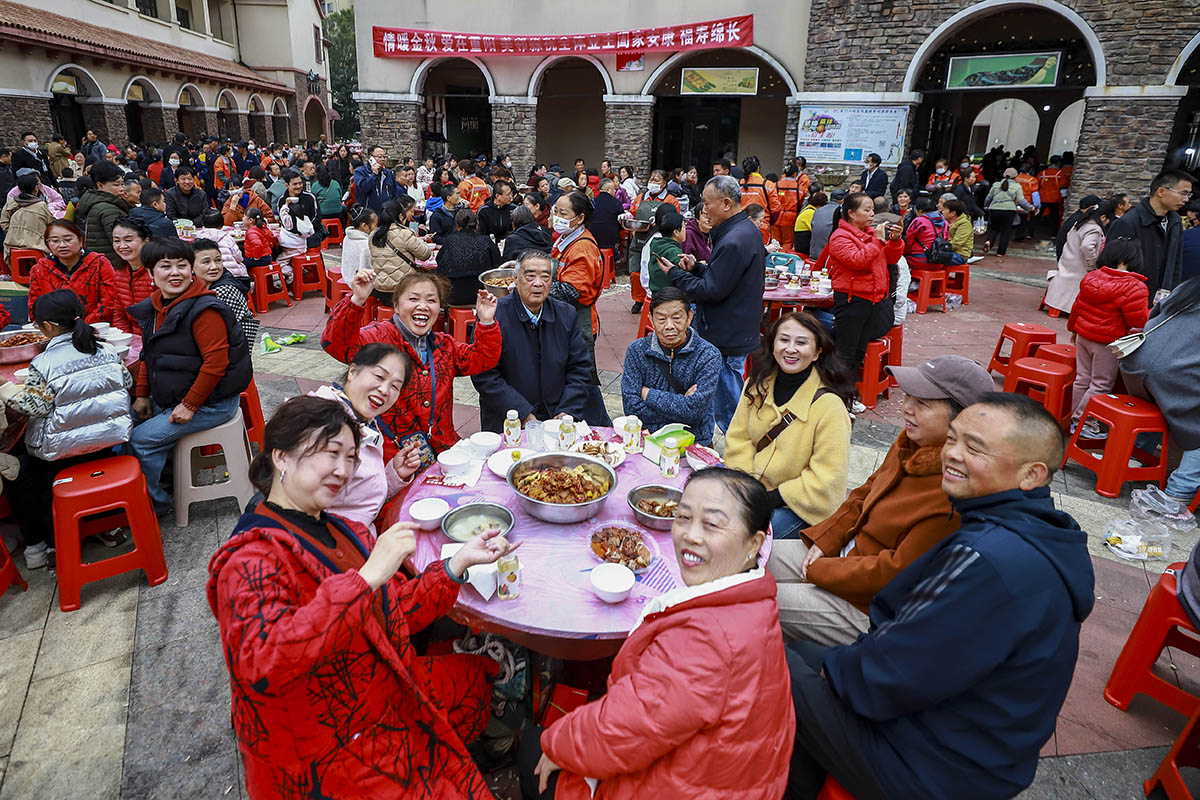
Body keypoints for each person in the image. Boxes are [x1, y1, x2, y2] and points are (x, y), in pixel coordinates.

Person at [785, 393, 1092, 800]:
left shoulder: (989, 558)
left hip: (937, 766)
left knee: (771, 661)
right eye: (953, 439)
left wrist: (836, 675)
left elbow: (886, 676)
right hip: (961, 734)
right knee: (806, 657)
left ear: (1031, 474)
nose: (953, 455)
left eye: (975, 448)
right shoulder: (1040, 530)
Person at [208, 394, 514, 799]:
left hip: (382, 685)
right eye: (329, 453)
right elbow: (263, 665)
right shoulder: (250, 558)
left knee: (477, 675)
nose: (342, 470)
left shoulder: (338, 529)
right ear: (280, 457)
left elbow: (393, 611)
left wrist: (459, 563)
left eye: (351, 458)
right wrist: (367, 577)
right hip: (324, 743)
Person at [519, 468, 794, 800]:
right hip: (731, 774)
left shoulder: (705, 641)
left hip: (687, 785)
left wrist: (558, 743)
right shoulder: (756, 601)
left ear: (755, 543)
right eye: (684, 517)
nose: (691, 535)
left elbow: (623, 730)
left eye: (712, 524)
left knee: (533, 749)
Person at [770, 355, 994, 645]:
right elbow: (865, 492)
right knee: (741, 554)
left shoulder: (954, 492)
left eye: (922, 404)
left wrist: (819, 571)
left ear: (963, 420)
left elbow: (894, 573)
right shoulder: (911, 444)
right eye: (908, 397)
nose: (906, 408)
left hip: (866, 605)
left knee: (750, 597)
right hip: (846, 557)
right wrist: (826, 539)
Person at [0, 289, 132, 568]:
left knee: (27, 473)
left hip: (62, 452)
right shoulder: (106, 348)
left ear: (46, 327)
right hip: (108, 441)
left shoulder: (44, 362)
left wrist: (5, 388)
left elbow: (36, 407)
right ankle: (104, 527)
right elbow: (127, 383)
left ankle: (48, 544)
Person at [127, 238, 253, 513]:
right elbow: (150, 353)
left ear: (190, 270)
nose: (175, 273)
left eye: (181, 265)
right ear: (149, 273)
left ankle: (157, 506)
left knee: (140, 440)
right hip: (176, 393)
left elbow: (215, 364)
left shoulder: (204, 310)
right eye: (165, 266)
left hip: (212, 403)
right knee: (125, 419)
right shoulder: (157, 306)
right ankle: (166, 480)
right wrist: (141, 394)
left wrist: (190, 405)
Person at [322, 270, 501, 459]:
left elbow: (482, 358)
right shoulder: (378, 338)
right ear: (396, 306)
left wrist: (486, 321)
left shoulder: (444, 345)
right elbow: (335, 343)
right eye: (413, 299)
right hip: (390, 455)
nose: (423, 306)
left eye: (431, 301)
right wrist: (357, 299)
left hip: (442, 450)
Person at [723, 312, 853, 540]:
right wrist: (747, 484)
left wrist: (772, 498)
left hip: (799, 508)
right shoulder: (756, 386)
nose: (790, 349)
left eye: (801, 343)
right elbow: (738, 438)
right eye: (784, 340)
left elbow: (826, 479)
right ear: (773, 344)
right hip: (754, 491)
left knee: (739, 535)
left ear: (817, 352)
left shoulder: (829, 407)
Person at [656, 176, 764, 433]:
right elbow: (723, 278)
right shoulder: (743, 230)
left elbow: (711, 290)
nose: (703, 209)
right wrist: (697, 267)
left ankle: (740, 459)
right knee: (723, 396)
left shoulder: (734, 239)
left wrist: (676, 274)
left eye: (707, 203)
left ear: (726, 203)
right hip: (736, 326)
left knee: (728, 404)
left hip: (727, 333)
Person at [472, 250, 607, 432]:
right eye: (530, 276)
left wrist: (566, 410)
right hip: (509, 419)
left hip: (558, 419)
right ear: (516, 279)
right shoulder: (494, 316)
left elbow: (581, 367)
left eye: (545, 277)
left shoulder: (566, 314)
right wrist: (522, 412)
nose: (538, 283)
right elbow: (485, 376)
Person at [307, 344, 423, 531]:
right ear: (352, 371)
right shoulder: (323, 423)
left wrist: (395, 472)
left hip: (360, 538)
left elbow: (357, 497)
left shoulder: (364, 421)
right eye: (379, 376)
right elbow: (303, 504)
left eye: (395, 386)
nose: (385, 390)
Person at [1120, 274, 1200, 513]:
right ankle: (1179, 492)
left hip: (1134, 363)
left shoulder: (1189, 286)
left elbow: (1154, 314)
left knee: (1160, 405)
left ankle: (1137, 455)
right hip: (1173, 375)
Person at [620, 286, 721, 445]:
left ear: (689, 317)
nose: (669, 326)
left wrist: (647, 394)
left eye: (676, 318)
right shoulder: (637, 351)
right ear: (651, 318)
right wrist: (683, 405)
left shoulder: (708, 355)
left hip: (693, 441)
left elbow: (695, 412)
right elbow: (632, 408)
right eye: (661, 319)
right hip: (647, 438)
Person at [1067, 240, 1149, 432]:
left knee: (1082, 379)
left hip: (1083, 335)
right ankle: (1083, 422)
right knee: (1101, 384)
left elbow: (1077, 306)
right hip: (1107, 342)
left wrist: (1073, 329)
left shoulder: (1092, 277)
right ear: (1134, 259)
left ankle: (1072, 417)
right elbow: (1137, 320)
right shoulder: (1135, 286)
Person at [822, 192, 903, 385]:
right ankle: (839, 398)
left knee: (859, 351)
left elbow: (890, 259)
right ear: (851, 213)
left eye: (873, 210)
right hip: (852, 301)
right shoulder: (840, 237)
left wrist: (895, 241)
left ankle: (848, 395)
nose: (872, 214)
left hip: (874, 299)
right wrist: (878, 241)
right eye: (866, 210)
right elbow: (857, 261)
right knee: (846, 353)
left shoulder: (871, 235)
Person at [1106, 169, 1193, 302]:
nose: (1186, 199)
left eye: (1188, 195)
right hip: (1130, 300)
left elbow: (1176, 262)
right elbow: (1110, 268)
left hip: (1161, 300)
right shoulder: (1129, 222)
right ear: (1161, 191)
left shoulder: (1175, 222)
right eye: (1183, 193)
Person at [27, 220, 119, 324]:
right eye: (55, 241)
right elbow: (35, 306)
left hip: (96, 327)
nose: (62, 245)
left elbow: (110, 301)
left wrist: (83, 325)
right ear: (47, 244)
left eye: (68, 239)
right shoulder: (39, 269)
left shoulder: (99, 263)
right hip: (55, 330)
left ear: (80, 240)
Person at [550, 192, 605, 358]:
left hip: (577, 321)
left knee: (579, 376)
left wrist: (530, 283)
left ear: (580, 218)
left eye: (563, 213)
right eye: (556, 211)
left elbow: (571, 291)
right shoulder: (566, 237)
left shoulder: (582, 249)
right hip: (563, 317)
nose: (557, 217)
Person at [1045, 198, 1112, 315]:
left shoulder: (1080, 223)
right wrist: (1092, 264)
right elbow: (1087, 246)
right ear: (1103, 217)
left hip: (1068, 259)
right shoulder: (1094, 229)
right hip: (1079, 265)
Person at [193, 237, 259, 343]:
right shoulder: (199, 286)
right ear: (191, 266)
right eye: (206, 262)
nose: (214, 267)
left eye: (218, 260)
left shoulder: (225, 292)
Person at [435, 208, 501, 306]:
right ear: (477, 225)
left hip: (453, 296)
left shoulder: (450, 241)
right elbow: (497, 265)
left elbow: (439, 261)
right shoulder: (486, 241)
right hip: (481, 294)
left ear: (457, 226)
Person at [75, 161, 130, 266]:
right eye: (116, 184)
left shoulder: (96, 202)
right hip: (113, 264)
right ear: (100, 185)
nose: (122, 188)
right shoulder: (108, 209)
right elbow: (122, 242)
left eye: (122, 184)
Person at [108, 216, 157, 334]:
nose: (122, 246)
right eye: (117, 241)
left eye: (128, 240)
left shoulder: (156, 273)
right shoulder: (120, 273)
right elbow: (119, 314)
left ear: (146, 240)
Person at [1, 171, 54, 261]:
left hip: (11, 246)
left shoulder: (11, 202)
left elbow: (3, 222)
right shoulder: (41, 205)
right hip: (37, 245)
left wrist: (14, 231)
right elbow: (51, 224)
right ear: (35, 189)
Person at [983, 167, 1032, 262]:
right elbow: (1021, 201)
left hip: (994, 209)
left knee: (993, 228)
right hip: (1009, 210)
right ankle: (1000, 252)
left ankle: (989, 241)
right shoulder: (1017, 186)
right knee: (1005, 231)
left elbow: (988, 198)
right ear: (1015, 177)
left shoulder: (996, 185)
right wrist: (1030, 208)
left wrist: (986, 206)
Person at [644, 208, 687, 297]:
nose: (686, 230)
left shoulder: (658, 243)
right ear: (676, 232)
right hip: (668, 296)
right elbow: (683, 266)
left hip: (656, 291)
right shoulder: (672, 251)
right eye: (684, 227)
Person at [194, 209, 246, 277]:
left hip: (208, 275)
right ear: (221, 225)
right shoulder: (227, 238)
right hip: (233, 275)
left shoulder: (198, 238)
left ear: (203, 224)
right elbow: (239, 258)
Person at [902, 196, 949, 269]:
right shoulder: (945, 222)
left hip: (919, 261)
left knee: (898, 261)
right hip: (939, 261)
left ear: (920, 210)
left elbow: (909, 241)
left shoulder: (919, 221)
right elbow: (946, 239)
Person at [353, 144, 398, 214]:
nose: (383, 159)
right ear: (370, 158)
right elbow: (363, 188)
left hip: (386, 213)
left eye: (385, 157)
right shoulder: (360, 171)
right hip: (368, 213)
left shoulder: (388, 173)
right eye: (379, 157)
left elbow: (394, 193)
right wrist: (374, 174)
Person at [338, 204, 377, 283]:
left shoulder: (347, 237)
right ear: (364, 226)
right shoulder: (365, 245)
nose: (377, 228)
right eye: (375, 225)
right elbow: (368, 271)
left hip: (346, 275)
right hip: (359, 283)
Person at [740, 156, 780, 225]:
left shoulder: (738, 184)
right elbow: (775, 210)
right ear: (758, 168)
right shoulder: (768, 185)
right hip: (762, 226)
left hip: (741, 225)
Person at [589, 177, 623, 252]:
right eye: (614, 189)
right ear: (608, 190)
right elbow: (621, 224)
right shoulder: (616, 203)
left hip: (593, 240)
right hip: (611, 242)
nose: (615, 191)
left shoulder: (592, 202)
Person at [773, 164, 803, 249]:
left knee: (775, 242)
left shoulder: (775, 185)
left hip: (776, 216)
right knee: (788, 242)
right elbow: (800, 202)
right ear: (795, 174)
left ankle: (773, 259)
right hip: (790, 218)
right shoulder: (799, 188)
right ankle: (784, 260)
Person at [808, 189, 842, 258]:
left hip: (813, 252)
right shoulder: (840, 212)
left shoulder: (818, 210)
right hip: (826, 257)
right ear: (842, 201)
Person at [940, 196, 973, 263]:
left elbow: (956, 244)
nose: (942, 212)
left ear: (953, 213)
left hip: (960, 255)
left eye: (945, 210)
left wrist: (941, 248)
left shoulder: (964, 224)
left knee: (935, 258)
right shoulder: (945, 221)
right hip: (948, 251)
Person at [793, 191, 827, 256]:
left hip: (802, 243)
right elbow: (816, 230)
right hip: (804, 246)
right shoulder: (811, 213)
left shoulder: (808, 209)